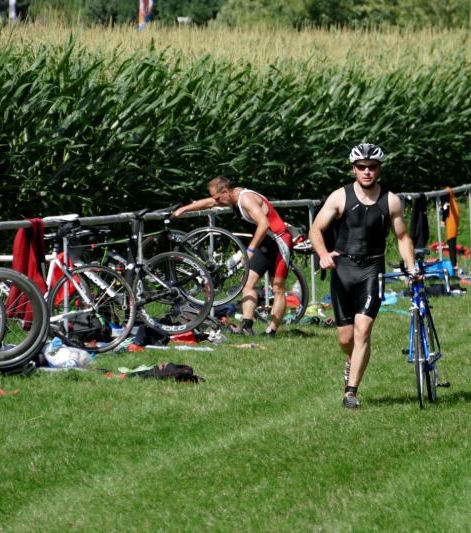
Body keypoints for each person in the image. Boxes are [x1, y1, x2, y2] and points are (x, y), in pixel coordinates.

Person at [310, 143, 416, 409]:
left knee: (363, 331)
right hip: (343, 269)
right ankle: (352, 361)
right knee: (345, 338)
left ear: (379, 169)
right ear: (353, 169)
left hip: (372, 270)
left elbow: (402, 237)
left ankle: (351, 392)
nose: (367, 171)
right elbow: (316, 230)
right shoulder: (339, 197)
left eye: (372, 167)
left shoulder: (390, 200)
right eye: (361, 167)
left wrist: (411, 267)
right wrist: (322, 253)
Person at [173, 176, 292, 336]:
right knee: (248, 284)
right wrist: (184, 209)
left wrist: (250, 250)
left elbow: (264, 224)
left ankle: (271, 331)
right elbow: (209, 202)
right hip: (264, 244)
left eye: (218, 198)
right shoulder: (231, 198)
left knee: (277, 288)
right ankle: (247, 326)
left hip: (279, 242)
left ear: (225, 192)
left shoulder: (246, 199)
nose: (217, 202)